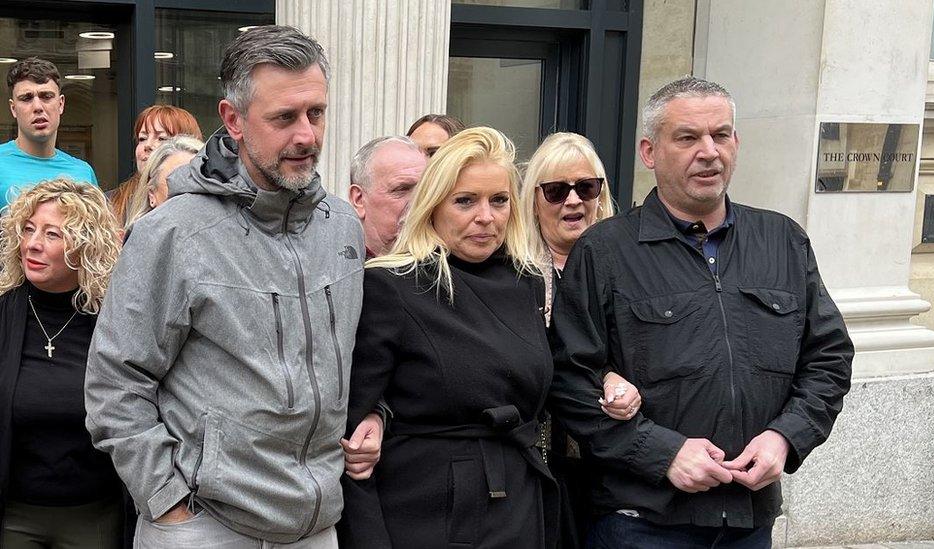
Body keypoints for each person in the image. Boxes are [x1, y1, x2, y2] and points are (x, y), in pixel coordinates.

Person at [85, 25, 364, 548]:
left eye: (316, 113)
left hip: (317, 524)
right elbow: (115, 383)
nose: (306, 135)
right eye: (284, 117)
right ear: (233, 120)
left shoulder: (343, 226)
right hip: (204, 527)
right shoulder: (172, 233)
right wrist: (166, 502)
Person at [547, 77, 855, 548]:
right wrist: (663, 454)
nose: (709, 151)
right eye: (688, 137)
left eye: (721, 135)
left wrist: (786, 438)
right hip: (640, 522)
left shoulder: (783, 241)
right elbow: (569, 381)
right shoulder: (605, 252)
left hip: (748, 522)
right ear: (650, 152)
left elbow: (828, 360)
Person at [341, 126, 558, 549]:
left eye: (499, 200)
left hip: (519, 504)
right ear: (434, 205)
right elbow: (352, 437)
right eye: (465, 201)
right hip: (426, 515)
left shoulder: (525, 281)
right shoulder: (392, 284)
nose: (486, 216)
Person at [519, 131, 637, 548]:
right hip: (539, 469)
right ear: (534, 200)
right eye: (555, 191)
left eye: (585, 187)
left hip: (617, 470)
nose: (573, 201)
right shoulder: (515, 275)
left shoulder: (629, 268)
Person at [0, 178, 123, 548]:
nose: (33, 244)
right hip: (14, 516)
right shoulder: (5, 313)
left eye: (53, 234)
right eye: (28, 229)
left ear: (86, 246)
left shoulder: (113, 321)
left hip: (95, 515)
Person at [0, 58, 97, 212]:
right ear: (13, 108)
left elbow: (95, 233)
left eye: (46, 96)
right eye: (26, 98)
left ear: (61, 104)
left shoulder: (83, 172)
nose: (38, 107)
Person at [108, 105, 202, 222]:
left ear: (187, 146)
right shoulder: (110, 202)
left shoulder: (203, 203)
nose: (148, 145)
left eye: (162, 139)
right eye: (142, 138)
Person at [347, 135, 427, 257]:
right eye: (401, 189)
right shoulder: (333, 269)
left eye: (425, 191)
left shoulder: (449, 269)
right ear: (359, 200)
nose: (419, 203)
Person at [123, 134, 204, 230]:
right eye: (176, 182)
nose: (188, 197)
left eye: (197, 182)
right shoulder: (139, 239)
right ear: (152, 195)